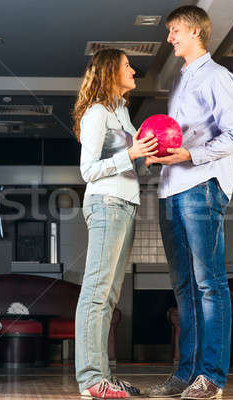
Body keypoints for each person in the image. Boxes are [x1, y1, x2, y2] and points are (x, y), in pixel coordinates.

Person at [146, 5, 233, 400]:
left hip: (202, 185)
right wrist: (164, 156)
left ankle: (212, 378)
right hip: (172, 189)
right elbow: (181, 139)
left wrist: (190, 156)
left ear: (194, 31)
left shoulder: (218, 78)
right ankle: (185, 374)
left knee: (209, 285)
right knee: (185, 287)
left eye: (174, 30)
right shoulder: (181, 80)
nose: (169, 38)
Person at [73, 48, 158, 399]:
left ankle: (102, 377)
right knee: (96, 293)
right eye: (127, 66)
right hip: (106, 203)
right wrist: (131, 155)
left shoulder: (121, 112)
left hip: (124, 205)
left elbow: (127, 164)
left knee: (108, 297)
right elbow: (88, 169)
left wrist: (144, 160)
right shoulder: (96, 113)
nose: (134, 70)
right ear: (111, 72)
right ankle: (92, 379)